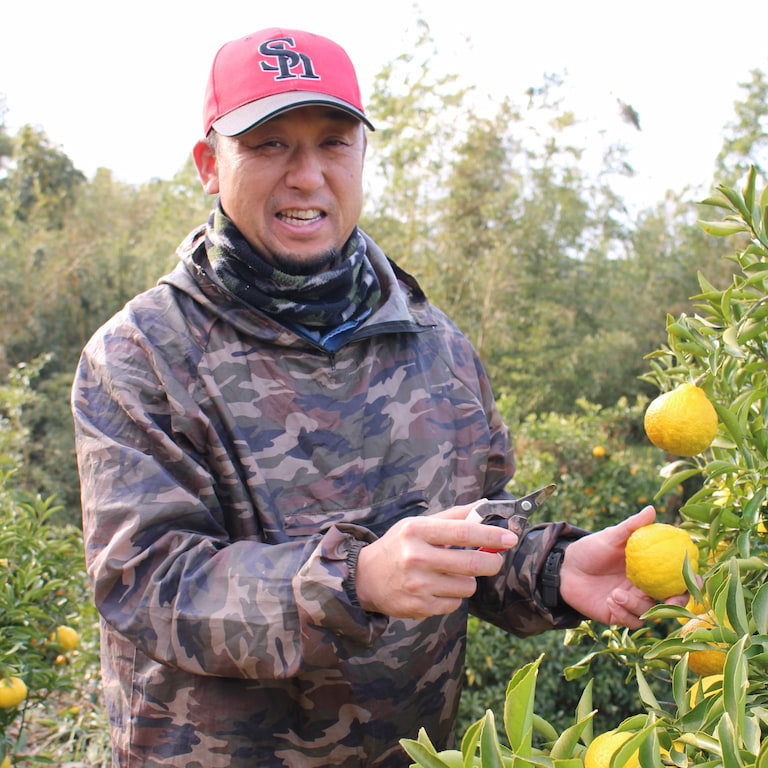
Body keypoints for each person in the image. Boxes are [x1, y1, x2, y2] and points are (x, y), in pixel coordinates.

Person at [71, 27, 677, 768]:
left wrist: (555, 569)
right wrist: (355, 581)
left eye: (333, 142)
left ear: (361, 155)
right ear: (208, 164)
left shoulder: (434, 344)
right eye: (269, 145)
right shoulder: (142, 355)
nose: (306, 176)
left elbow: (477, 528)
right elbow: (150, 582)